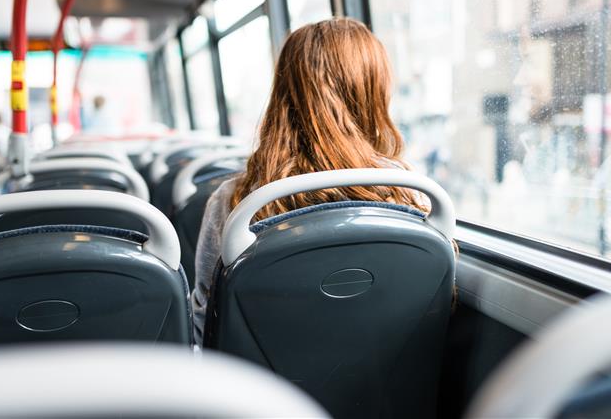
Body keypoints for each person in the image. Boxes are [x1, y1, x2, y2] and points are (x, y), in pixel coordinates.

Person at [191, 17, 456, 345]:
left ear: (282, 96)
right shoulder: (408, 194)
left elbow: (207, 324)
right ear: (373, 92)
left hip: (261, 394)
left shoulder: (235, 204)